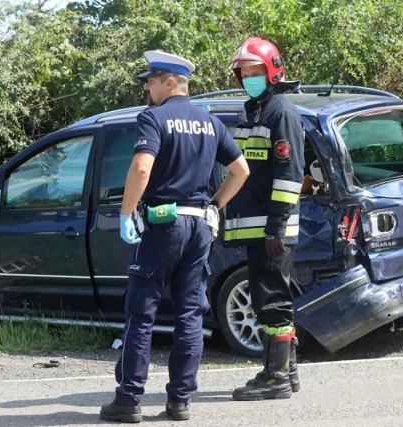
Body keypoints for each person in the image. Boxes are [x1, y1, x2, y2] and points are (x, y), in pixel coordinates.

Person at [100, 50, 249, 423]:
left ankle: (129, 401)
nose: (146, 88)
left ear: (170, 82)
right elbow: (241, 170)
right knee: (189, 316)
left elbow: (141, 166)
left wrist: (124, 212)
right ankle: (180, 401)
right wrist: (215, 205)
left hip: (163, 225)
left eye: (151, 81)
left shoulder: (153, 117)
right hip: (200, 226)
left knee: (141, 313)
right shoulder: (209, 122)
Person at [225, 37, 305, 401]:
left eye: (253, 71)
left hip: (272, 228)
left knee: (272, 303)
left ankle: (275, 379)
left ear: (271, 71)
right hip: (258, 225)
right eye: (243, 72)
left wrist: (275, 226)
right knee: (269, 300)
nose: (247, 77)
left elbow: (289, 175)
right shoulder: (255, 110)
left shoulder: (280, 112)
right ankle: (286, 374)